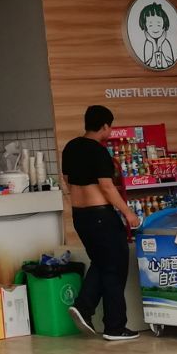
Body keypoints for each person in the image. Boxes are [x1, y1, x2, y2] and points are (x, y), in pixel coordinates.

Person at [61, 106, 141, 341]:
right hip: (101, 216)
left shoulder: (71, 147)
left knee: (103, 262)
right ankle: (114, 326)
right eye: (110, 127)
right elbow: (106, 187)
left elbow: (66, 180)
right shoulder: (98, 151)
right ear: (105, 126)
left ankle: (84, 307)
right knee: (115, 266)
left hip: (80, 216)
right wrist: (128, 213)